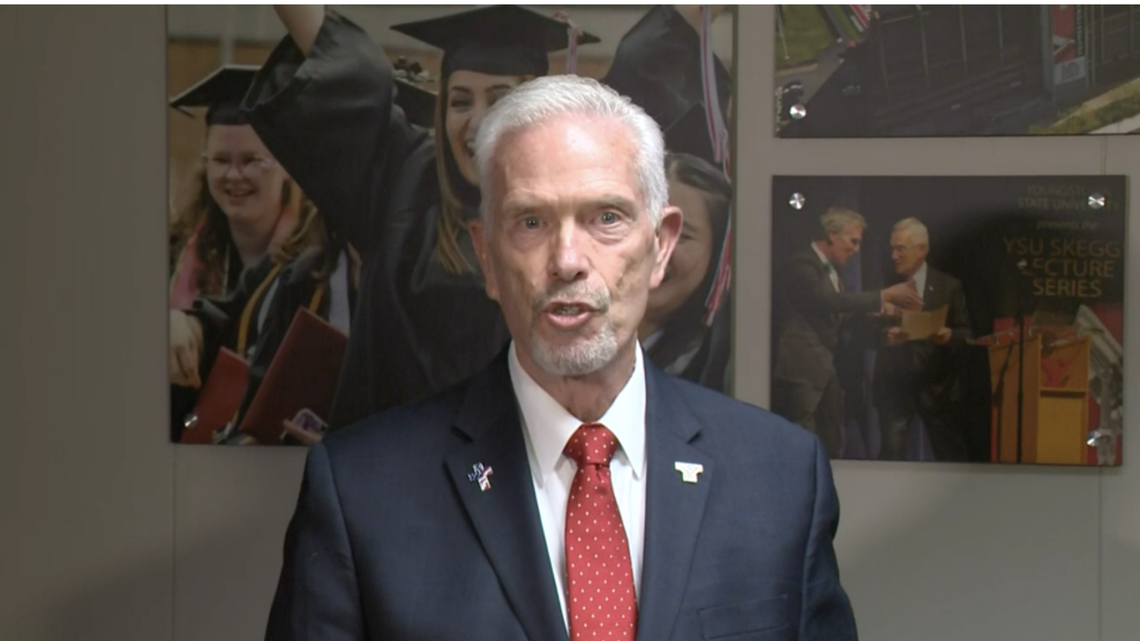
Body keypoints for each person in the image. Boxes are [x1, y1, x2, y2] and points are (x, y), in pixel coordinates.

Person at [265, 75, 858, 640]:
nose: (567, 259)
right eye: (531, 221)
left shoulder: (780, 480)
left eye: (606, 218)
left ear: (661, 247)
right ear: (488, 259)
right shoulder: (362, 493)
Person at [241, 5, 598, 429]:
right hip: (390, 475)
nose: (478, 120)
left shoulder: (573, 227)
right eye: (460, 101)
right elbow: (346, 73)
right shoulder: (402, 181)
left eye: (500, 100)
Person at [167, 64, 335, 442]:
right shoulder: (174, 254)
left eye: (252, 161)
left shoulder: (315, 270)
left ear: (286, 167)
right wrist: (174, 321)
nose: (234, 176)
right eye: (221, 160)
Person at [771, 207, 921, 458]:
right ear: (832, 235)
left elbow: (837, 315)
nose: (856, 250)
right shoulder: (802, 263)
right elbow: (828, 301)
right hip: (801, 370)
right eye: (853, 241)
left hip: (825, 370)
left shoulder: (832, 272)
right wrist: (883, 295)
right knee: (799, 442)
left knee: (831, 440)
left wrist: (879, 311)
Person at [873, 217, 973, 461]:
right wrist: (885, 335)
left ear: (922, 249)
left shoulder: (948, 286)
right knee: (891, 458)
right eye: (892, 248)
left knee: (949, 457)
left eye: (900, 249)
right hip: (895, 386)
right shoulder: (883, 284)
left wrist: (948, 336)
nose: (893, 256)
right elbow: (860, 331)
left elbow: (966, 334)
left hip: (937, 388)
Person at [639, 151, 731, 391]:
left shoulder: (723, 370)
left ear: (719, 254)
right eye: (642, 226)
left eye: (681, 234)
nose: (655, 248)